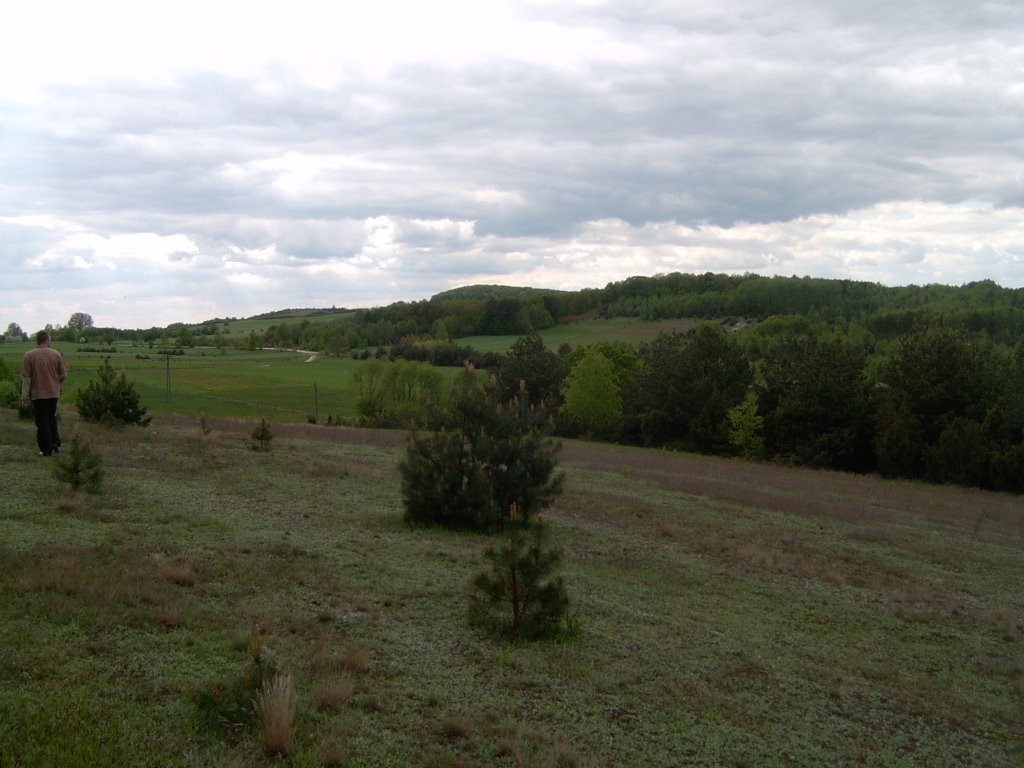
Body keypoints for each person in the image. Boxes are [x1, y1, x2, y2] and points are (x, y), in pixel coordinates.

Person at [20, 330, 69, 456]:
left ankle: (46, 449)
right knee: (51, 417)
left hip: (38, 393)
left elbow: (27, 378)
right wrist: (57, 382)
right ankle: (55, 444)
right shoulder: (56, 354)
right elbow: (64, 374)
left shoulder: (29, 355)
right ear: (46, 339)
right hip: (53, 392)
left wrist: (24, 397)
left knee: (42, 421)